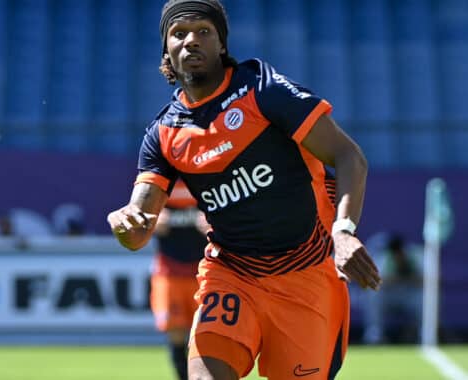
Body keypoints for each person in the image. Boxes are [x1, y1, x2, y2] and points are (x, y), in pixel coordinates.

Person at [107, 1, 381, 379]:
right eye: (179, 33)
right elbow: (138, 231)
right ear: (166, 49)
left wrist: (345, 231)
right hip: (232, 273)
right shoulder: (163, 135)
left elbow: (349, 156)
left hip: (307, 274)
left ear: (221, 44)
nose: (191, 41)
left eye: (203, 31)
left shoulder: (263, 91)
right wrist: (123, 220)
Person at [150, 179, 208, 380]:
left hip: (205, 272)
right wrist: (152, 219)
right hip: (169, 270)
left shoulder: (206, 176)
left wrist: (214, 221)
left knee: (207, 336)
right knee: (176, 334)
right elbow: (140, 215)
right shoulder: (160, 179)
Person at [363, 233, 423, 344]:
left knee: (424, 298)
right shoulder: (384, 259)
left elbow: (428, 281)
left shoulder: (416, 256)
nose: (398, 255)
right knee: (373, 295)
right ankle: (375, 333)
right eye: (395, 252)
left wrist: (408, 277)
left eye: (399, 251)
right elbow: (378, 282)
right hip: (390, 296)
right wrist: (399, 278)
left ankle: (424, 333)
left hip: (410, 296)